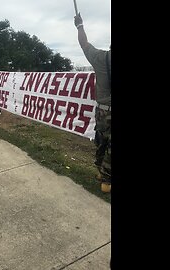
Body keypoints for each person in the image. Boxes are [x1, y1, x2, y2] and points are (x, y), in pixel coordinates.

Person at [74, 12, 111, 193]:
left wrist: (80, 26)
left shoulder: (100, 58)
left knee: (102, 140)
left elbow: (84, 44)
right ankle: (106, 179)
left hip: (103, 111)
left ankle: (100, 171)